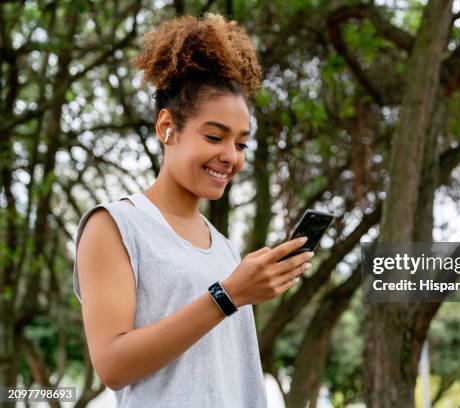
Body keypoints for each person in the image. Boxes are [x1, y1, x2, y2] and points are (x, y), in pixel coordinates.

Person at [72, 13, 313, 407]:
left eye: (241, 144)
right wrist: (228, 295)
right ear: (167, 127)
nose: (230, 156)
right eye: (215, 136)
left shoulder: (222, 247)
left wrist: (236, 290)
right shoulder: (115, 225)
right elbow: (112, 365)